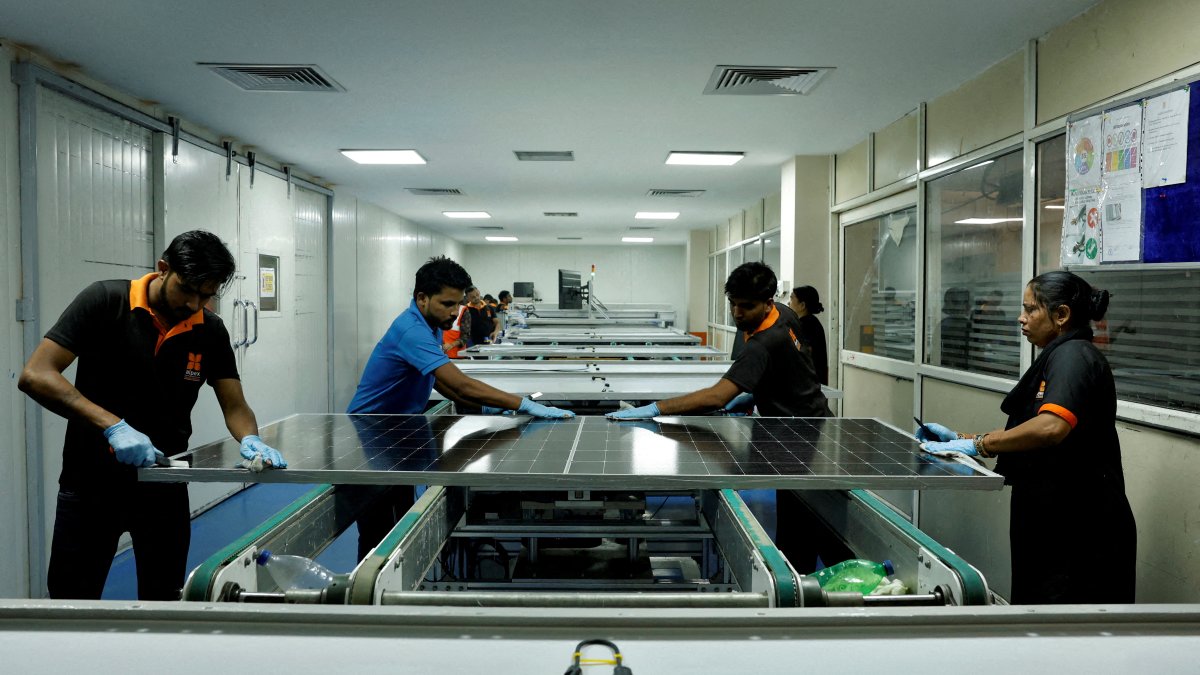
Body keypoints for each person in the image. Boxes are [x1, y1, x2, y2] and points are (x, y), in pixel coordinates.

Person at [17, 230, 286, 600]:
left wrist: (251, 440)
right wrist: (113, 426)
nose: (195, 303)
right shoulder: (106, 301)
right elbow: (37, 374)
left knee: (163, 599)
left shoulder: (209, 330)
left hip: (164, 483)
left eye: (207, 295)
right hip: (91, 483)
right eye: (187, 289)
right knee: (72, 599)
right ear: (163, 268)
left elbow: (235, 404)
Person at [919, 271, 1136, 604]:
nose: (1021, 318)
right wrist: (960, 439)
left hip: (1078, 527)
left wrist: (979, 445)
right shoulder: (1059, 354)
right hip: (1052, 518)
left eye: (1031, 309)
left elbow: (1050, 427)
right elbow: (1033, 426)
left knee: (1065, 630)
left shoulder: (1074, 356)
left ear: (1061, 315)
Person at [605, 262, 833, 569]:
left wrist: (657, 407)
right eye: (733, 304)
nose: (737, 313)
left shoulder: (763, 344)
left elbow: (716, 396)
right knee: (811, 515)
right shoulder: (785, 313)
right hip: (808, 423)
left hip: (799, 437)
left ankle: (810, 595)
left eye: (747, 307)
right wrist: (758, 393)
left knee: (809, 523)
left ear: (768, 302)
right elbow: (794, 363)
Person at [346, 256, 574, 559]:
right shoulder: (411, 330)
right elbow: (461, 384)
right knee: (377, 532)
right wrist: (522, 403)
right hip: (370, 435)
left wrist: (488, 409)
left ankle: (395, 585)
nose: (455, 312)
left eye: (458, 303)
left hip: (398, 430)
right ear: (422, 298)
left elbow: (443, 384)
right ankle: (367, 599)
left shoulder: (432, 324)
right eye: (448, 304)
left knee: (399, 522)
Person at [789, 285, 829, 385]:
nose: (788, 303)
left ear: (802, 305)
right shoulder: (808, 322)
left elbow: (803, 350)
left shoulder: (807, 325)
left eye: (792, 298)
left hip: (808, 383)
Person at [441, 288, 472, 357]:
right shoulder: (440, 309)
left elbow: (465, 336)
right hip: (439, 356)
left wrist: (452, 345)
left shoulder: (463, 311)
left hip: (457, 356)